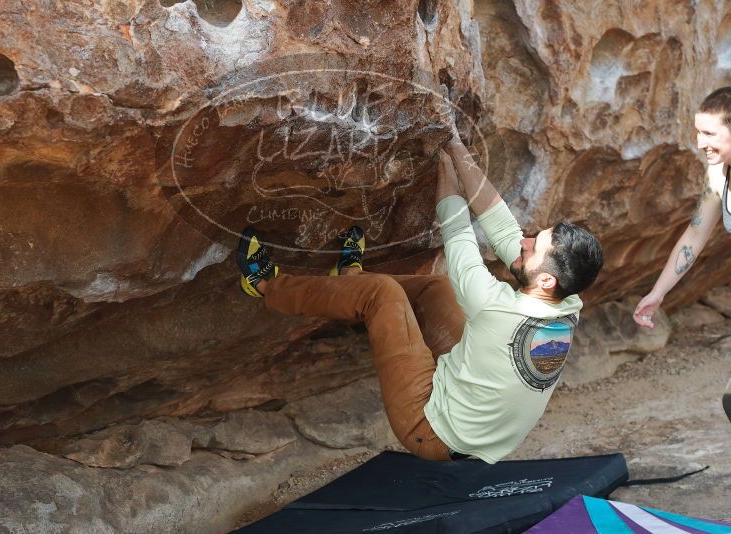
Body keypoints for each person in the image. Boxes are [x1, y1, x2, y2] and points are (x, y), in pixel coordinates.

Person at [235, 129, 603, 463]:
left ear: (545, 282)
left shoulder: (498, 309)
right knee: (437, 288)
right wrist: (456, 143)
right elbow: (501, 224)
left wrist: (444, 162)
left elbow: (457, 229)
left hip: (432, 430)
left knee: (382, 294)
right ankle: (349, 277)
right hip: (475, 418)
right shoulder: (567, 303)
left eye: (532, 247)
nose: (523, 241)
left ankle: (266, 285)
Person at [632, 86, 731, 422]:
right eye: (697, 132)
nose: (700, 143)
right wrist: (658, 293)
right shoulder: (718, 176)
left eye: (709, 133)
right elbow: (695, 233)